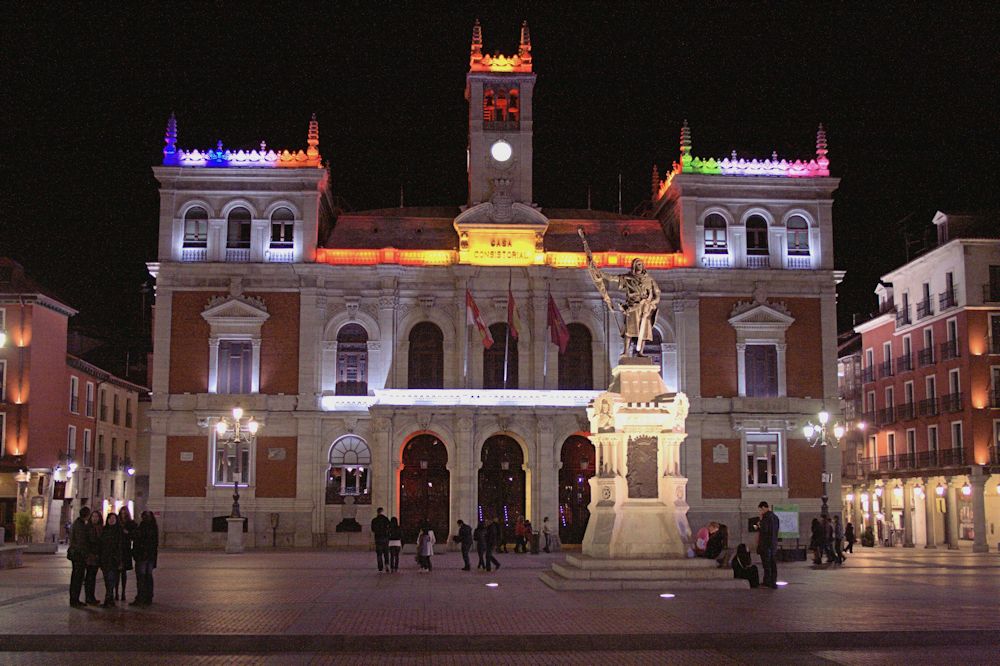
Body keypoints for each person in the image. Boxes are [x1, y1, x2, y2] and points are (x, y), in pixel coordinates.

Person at [131, 511, 158, 607]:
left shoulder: (143, 527)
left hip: (142, 556)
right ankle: (148, 597)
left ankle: (141, 597)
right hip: (150, 556)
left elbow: (138, 539)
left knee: (142, 577)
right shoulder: (154, 527)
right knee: (148, 577)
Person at [68, 506, 91, 608]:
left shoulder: (76, 524)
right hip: (78, 555)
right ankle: (74, 599)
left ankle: (74, 599)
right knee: (77, 578)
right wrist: (85, 554)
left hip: (76, 554)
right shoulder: (80, 526)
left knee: (76, 578)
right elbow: (81, 542)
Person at [99, 512, 124, 607]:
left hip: (114, 559)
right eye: (110, 518)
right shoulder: (104, 530)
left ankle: (108, 598)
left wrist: (120, 559)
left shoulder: (119, 531)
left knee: (111, 579)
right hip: (105, 559)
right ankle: (110, 598)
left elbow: (121, 547)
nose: (111, 520)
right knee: (107, 579)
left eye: (113, 518)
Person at [756, 501, 779, 589]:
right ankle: (773, 581)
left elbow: (764, 531)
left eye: (760, 510)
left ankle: (768, 581)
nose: (760, 512)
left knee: (766, 565)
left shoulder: (765, 518)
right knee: (773, 564)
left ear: (763, 508)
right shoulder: (775, 517)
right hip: (773, 544)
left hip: (765, 545)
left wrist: (759, 524)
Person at [84, 511, 103, 605]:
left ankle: (91, 596)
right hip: (90, 555)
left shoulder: (100, 528)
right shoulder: (88, 528)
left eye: (96, 516)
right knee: (89, 577)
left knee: (93, 576)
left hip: (97, 555)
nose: (95, 518)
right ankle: (88, 596)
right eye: (93, 516)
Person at [117, 507, 136, 601]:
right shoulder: (117, 523)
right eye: (122, 513)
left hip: (125, 549)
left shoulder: (131, 523)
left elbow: (134, 535)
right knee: (116, 573)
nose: (123, 514)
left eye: (125, 513)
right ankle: (116, 592)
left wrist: (128, 533)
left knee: (123, 573)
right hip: (116, 549)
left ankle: (123, 592)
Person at [370, 507, 390, 573]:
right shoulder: (386, 519)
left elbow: (373, 529)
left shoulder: (374, 520)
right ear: (382, 511)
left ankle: (380, 568)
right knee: (386, 553)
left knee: (379, 554)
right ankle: (387, 565)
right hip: (385, 538)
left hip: (378, 538)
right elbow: (389, 527)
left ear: (377, 512)